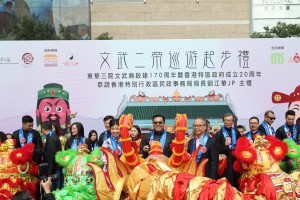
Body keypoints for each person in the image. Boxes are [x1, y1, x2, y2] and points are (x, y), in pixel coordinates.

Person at [215, 113, 240, 188]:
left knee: (237, 183)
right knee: (228, 184)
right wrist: (225, 145)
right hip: (225, 164)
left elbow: (240, 145)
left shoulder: (236, 132)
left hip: (236, 162)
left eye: (230, 120)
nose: (228, 122)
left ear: (233, 121)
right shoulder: (218, 134)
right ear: (223, 121)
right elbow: (216, 150)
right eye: (226, 120)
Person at [41, 121, 62, 191]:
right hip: (54, 169)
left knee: (53, 191)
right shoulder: (53, 137)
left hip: (54, 170)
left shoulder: (51, 139)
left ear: (43, 130)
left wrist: (50, 172)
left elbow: (51, 156)